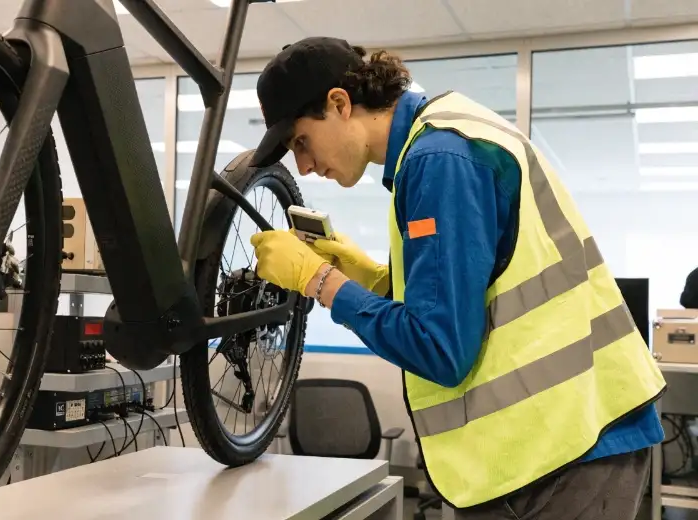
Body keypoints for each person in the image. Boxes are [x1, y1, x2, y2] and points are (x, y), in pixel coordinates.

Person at [247, 36, 667, 519]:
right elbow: (481, 292)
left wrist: (320, 281)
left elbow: (440, 349)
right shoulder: (445, 136)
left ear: (339, 104)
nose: (302, 166)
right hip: (560, 441)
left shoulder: (439, 159)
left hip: (566, 453)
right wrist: (374, 280)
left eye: (301, 141)